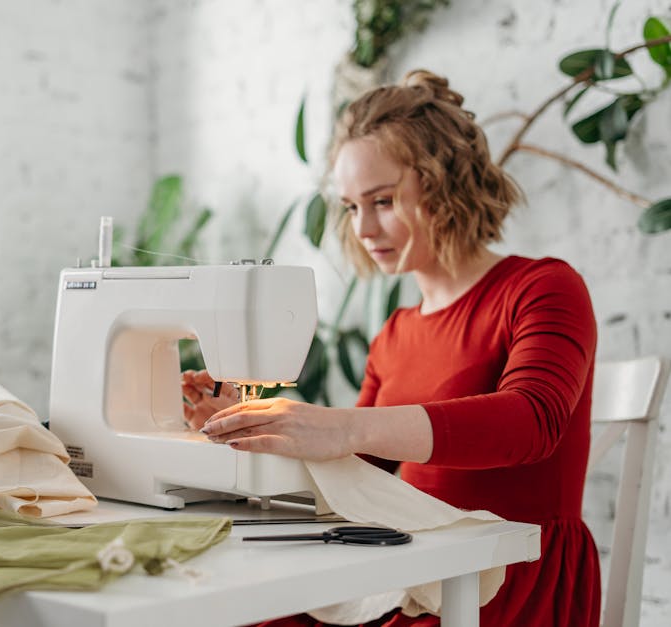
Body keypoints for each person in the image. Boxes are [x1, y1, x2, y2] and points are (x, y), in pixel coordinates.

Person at [181, 70, 600, 626]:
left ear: (447, 185)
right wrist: (250, 429)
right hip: (420, 562)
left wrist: (345, 426)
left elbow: (532, 420)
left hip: (507, 575)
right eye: (352, 208)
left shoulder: (542, 287)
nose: (364, 228)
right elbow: (361, 468)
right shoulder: (396, 331)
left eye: (382, 201)